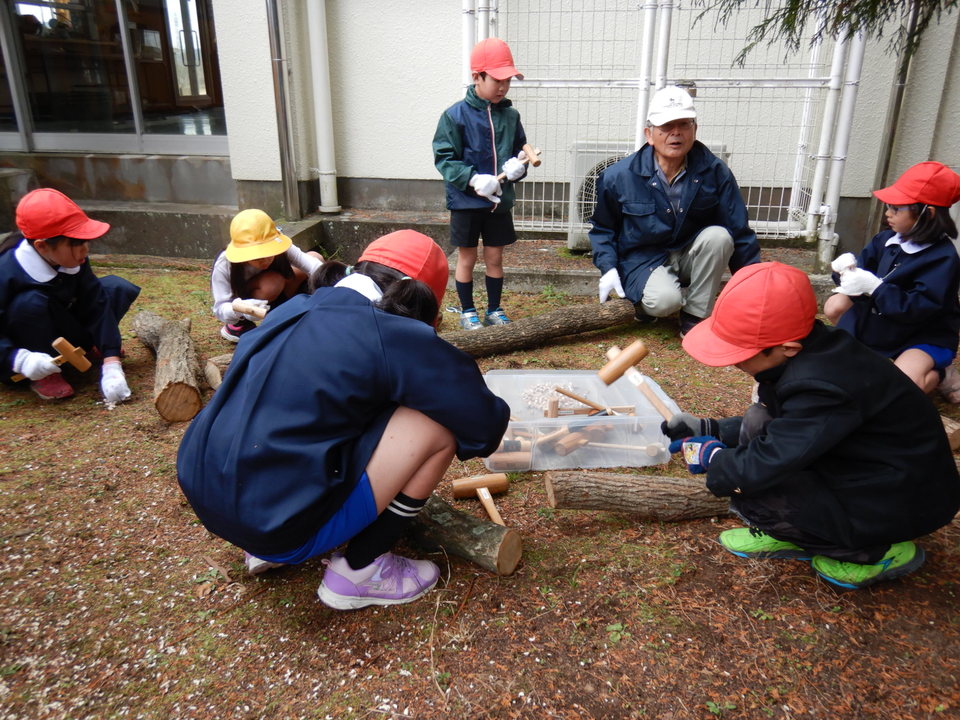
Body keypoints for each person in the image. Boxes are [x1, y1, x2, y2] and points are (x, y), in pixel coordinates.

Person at [177, 230, 510, 610]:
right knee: (434, 427)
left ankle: (262, 546)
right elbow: (484, 425)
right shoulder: (393, 335)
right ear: (420, 298)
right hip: (277, 521)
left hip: (210, 493)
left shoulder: (291, 308)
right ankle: (360, 569)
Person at [662, 262, 960, 589]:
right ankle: (799, 533)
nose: (734, 362)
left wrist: (717, 461)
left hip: (901, 497)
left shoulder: (823, 385)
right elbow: (786, 425)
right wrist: (710, 430)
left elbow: (770, 459)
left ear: (787, 347)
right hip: (871, 468)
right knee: (757, 420)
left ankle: (878, 551)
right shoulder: (812, 349)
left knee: (758, 492)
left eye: (742, 354)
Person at [589, 85, 760, 336]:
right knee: (663, 302)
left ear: (695, 129)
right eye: (667, 127)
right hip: (642, 259)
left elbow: (739, 230)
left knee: (720, 237)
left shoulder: (714, 171)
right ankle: (648, 304)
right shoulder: (619, 176)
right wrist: (608, 268)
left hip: (690, 253)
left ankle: (695, 316)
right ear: (650, 134)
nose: (676, 133)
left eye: (684, 124)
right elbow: (603, 229)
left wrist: (754, 288)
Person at [824, 161, 960, 394]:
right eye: (888, 206)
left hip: (922, 333)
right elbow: (861, 274)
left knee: (903, 386)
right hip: (880, 322)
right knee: (835, 305)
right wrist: (844, 271)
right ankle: (878, 355)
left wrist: (876, 288)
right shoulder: (886, 239)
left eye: (896, 208)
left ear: (927, 213)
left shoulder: (943, 259)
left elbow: (918, 308)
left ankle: (939, 374)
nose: (888, 213)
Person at [0, 188, 140, 402]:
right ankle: (43, 377)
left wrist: (111, 361)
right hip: (25, 350)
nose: (85, 249)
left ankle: (89, 348)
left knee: (115, 288)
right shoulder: (6, 271)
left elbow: (97, 303)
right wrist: (19, 359)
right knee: (30, 304)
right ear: (42, 246)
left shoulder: (75, 260)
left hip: (62, 325)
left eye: (85, 241)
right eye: (75, 244)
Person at [433, 37, 528, 331]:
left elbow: (521, 152)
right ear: (477, 76)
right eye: (497, 79)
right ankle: (468, 311)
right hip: (466, 202)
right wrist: (472, 178)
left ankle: (495, 310)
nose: (503, 87)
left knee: (495, 257)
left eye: (508, 80)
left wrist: (517, 169)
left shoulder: (511, 116)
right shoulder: (454, 116)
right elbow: (445, 158)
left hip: (499, 202)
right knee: (467, 257)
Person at [211, 208, 324, 342]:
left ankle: (289, 313)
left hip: (277, 288)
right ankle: (237, 325)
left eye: (270, 253)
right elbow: (220, 307)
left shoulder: (280, 245)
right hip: (247, 300)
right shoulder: (225, 264)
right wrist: (241, 309)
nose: (266, 260)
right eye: (258, 257)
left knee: (316, 257)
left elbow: (313, 265)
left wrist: (339, 281)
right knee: (271, 283)